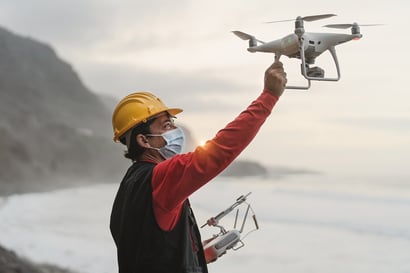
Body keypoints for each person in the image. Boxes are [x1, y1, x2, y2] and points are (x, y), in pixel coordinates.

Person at [110, 61, 287, 273]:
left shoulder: (129, 184)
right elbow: (222, 150)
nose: (175, 129)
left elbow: (148, 250)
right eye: (166, 125)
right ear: (144, 141)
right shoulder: (161, 178)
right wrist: (269, 96)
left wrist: (196, 256)